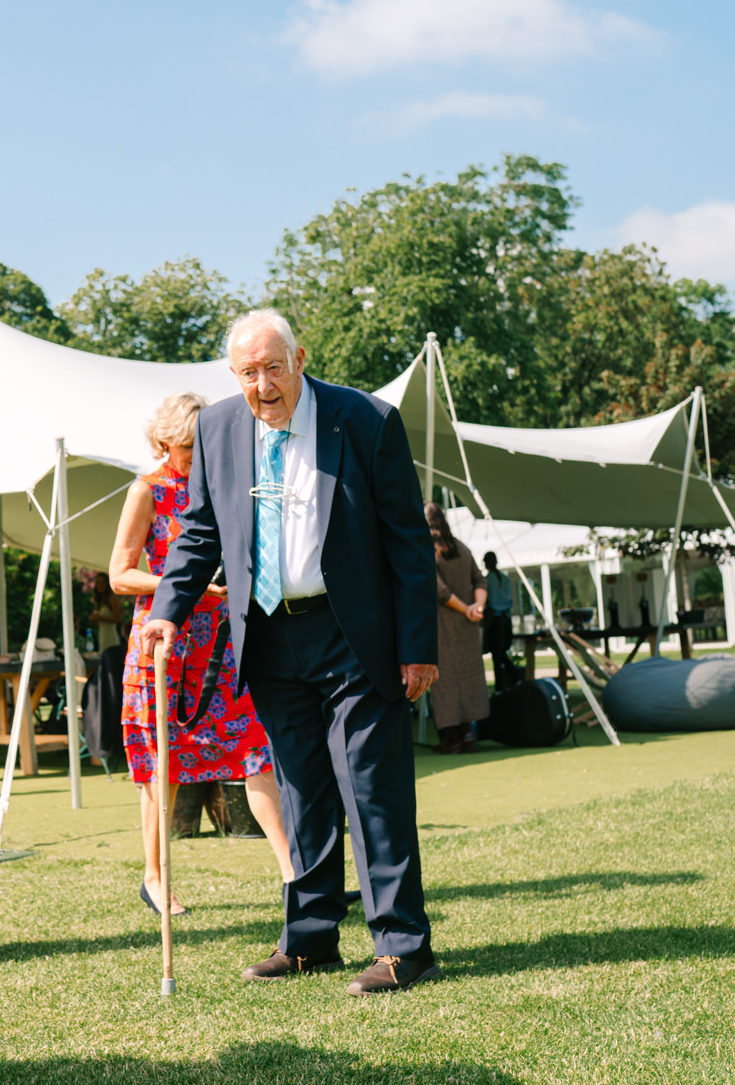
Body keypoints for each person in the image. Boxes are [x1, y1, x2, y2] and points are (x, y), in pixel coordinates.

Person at [140, 309, 442, 997]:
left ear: (300, 358)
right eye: (248, 372)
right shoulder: (217, 429)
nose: (263, 384)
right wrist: (165, 611)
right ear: (232, 376)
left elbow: (406, 542)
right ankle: (309, 941)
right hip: (270, 636)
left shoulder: (366, 420)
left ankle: (403, 946)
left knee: (372, 788)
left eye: (273, 367)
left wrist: (417, 645)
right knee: (302, 791)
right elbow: (199, 534)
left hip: (355, 635)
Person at [111, 391, 295, 917]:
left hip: (222, 644)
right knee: (158, 765)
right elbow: (119, 574)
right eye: (189, 448)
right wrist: (184, 586)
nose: (199, 457)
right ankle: (154, 879)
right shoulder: (147, 490)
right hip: (163, 644)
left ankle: (294, 876)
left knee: (256, 750)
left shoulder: (226, 484)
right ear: (163, 442)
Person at [427, 503, 490, 754]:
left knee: (445, 683)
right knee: (468, 679)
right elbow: (480, 579)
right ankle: (468, 734)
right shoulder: (461, 547)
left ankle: (451, 740)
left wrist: (466, 609)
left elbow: (438, 591)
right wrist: (477, 607)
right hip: (468, 627)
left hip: (443, 626)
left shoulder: (427, 550)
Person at [482, 550, 518, 689]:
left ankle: (504, 684)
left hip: (496, 621)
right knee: (500, 653)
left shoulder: (488, 580)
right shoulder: (505, 579)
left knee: (498, 654)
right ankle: (508, 681)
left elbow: (489, 602)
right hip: (505, 619)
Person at [85, 572, 126, 655]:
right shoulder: (98, 602)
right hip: (102, 638)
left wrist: (99, 618)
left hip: (111, 639)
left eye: (103, 582)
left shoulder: (111, 598)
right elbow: (99, 624)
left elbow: (118, 618)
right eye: (98, 582)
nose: (100, 585)